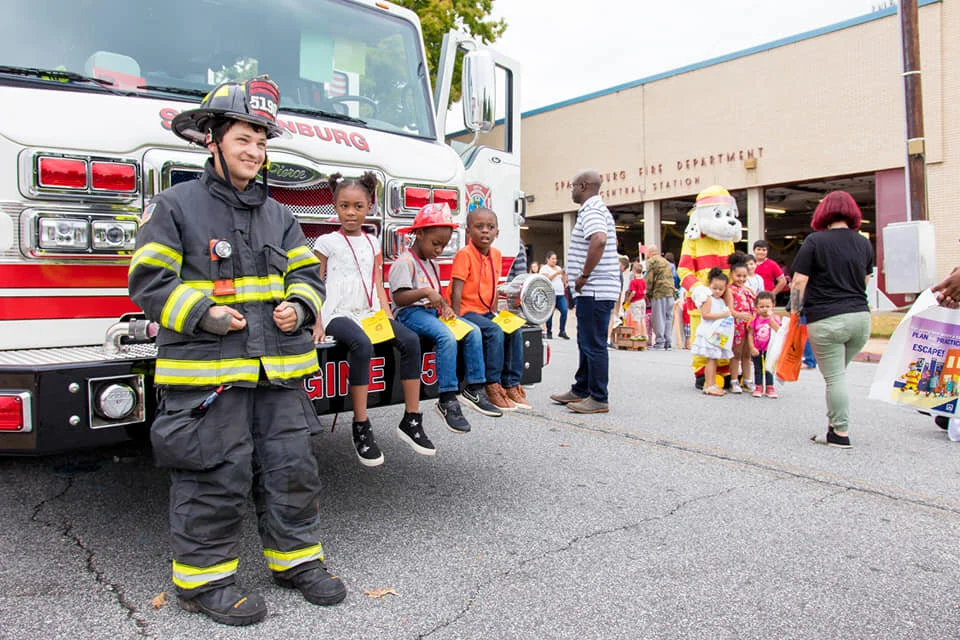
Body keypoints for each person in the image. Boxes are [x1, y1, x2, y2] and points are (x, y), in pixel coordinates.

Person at [128, 76, 345, 626]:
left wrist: (299, 305)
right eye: (244, 139)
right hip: (209, 375)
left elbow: (308, 274)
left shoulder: (279, 214)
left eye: (262, 142)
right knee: (213, 474)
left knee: (291, 470)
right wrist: (203, 313)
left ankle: (295, 562)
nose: (255, 151)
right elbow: (148, 280)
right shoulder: (174, 207)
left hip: (278, 376)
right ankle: (204, 582)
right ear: (212, 139)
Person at [312, 172, 427, 466]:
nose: (351, 213)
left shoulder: (373, 242)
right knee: (361, 346)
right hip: (338, 311)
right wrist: (317, 321)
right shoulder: (326, 242)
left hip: (369, 311)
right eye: (344, 206)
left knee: (410, 340)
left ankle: (411, 418)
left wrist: (388, 317)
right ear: (335, 206)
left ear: (369, 206)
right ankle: (361, 425)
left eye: (358, 207)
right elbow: (315, 281)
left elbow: (377, 280)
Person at [390, 203, 503, 433]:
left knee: (472, 330)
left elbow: (435, 295)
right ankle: (447, 398)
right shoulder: (405, 262)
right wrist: (425, 293)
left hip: (430, 312)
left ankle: (475, 387)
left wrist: (445, 307)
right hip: (410, 314)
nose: (439, 250)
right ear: (419, 234)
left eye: (443, 245)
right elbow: (400, 299)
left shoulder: (431, 263)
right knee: (447, 337)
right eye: (436, 244)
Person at [790, 190, 874, 448]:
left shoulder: (815, 241)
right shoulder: (864, 243)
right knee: (837, 375)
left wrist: (794, 313)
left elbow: (799, 281)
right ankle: (832, 427)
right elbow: (865, 280)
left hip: (827, 318)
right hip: (860, 319)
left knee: (834, 377)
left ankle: (840, 433)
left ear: (823, 212)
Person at [550, 169, 619, 414]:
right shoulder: (595, 209)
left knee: (594, 343)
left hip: (595, 288)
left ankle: (599, 397)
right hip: (596, 289)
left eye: (572, 186)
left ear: (583, 186)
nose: (571, 191)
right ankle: (581, 389)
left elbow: (599, 239)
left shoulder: (592, 209)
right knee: (585, 340)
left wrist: (584, 276)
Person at [449, 207, 530, 411]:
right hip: (467, 311)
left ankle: (511, 383)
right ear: (468, 231)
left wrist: (495, 313)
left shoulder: (496, 254)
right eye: (479, 227)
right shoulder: (464, 254)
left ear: (497, 232)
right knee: (494, 331)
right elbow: (456, 290)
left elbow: (493, 287)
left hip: (485, 311)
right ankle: (491, 384)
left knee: (514, 327)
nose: (485, 231)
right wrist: (457, 321)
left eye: (490, 227)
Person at [693, 268, 734, 397]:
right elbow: (705, 315)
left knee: (714, 359)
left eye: (720, 289)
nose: (717, 291)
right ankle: (709, 384)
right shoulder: (708, 299)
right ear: (709, 285)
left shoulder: (720, 301)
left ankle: (712, 383)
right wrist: (723, 314)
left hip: (717, 334)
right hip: (708, 333)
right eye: (714, 288)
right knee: (711, 359)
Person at [727, 253, 756, 393]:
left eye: (744, 276)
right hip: (737, 325)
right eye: (738, 276)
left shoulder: (748, 290)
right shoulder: (729, 290)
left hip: (749, 326)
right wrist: (739, 315)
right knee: (736, 353)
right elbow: (729, 309)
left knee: (747, 354)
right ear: (732, 274)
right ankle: (734, 380)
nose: (741, 279)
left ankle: (747, 379)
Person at [748, 291, 781, 398]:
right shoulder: (755, 319)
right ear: (756, 307)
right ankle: (758, 386)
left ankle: (770, 387)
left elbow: (778, 330)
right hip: (757, 348)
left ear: (773, 306)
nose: (764, 309)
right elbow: (750, 334)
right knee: (758, 368)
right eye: (761, 306)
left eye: (767, 306)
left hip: (770, 348)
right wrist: (752, 347)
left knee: (769, 367)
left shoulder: (775, 318)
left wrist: (770, 319)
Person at [645, 245, 675, 350]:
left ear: (650, 253)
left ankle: (660, 342)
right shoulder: (666, 262)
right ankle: (668, 341)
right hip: (670, 292)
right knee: (668, 317)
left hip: (659, 292)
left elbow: (649, 279)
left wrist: (647, 292)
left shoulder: (651, 261)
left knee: (658, 317)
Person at [540, 251, 569, 339]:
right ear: (548, 259)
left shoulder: (558, 268)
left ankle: (562, 330)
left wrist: (564, 277)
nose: (554, 260)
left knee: (564, 310)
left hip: (560, 293)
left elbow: (563, 279)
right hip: (550, 294)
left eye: (555, 259)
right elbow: (547, 279)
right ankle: (549, 331)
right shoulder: (545, 268)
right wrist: (557, 273)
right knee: (550, 313)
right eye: (552, 259)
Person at [622, 262, 647, 338]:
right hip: (642, 300)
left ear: (633, 270)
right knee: (642, 318)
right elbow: (645, 291)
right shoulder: (643, 281)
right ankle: (644, 334)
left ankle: (638, 334)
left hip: (636, 301)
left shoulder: (633, 281)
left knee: (637, 318)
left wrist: (628, 300)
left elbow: (633, 292)